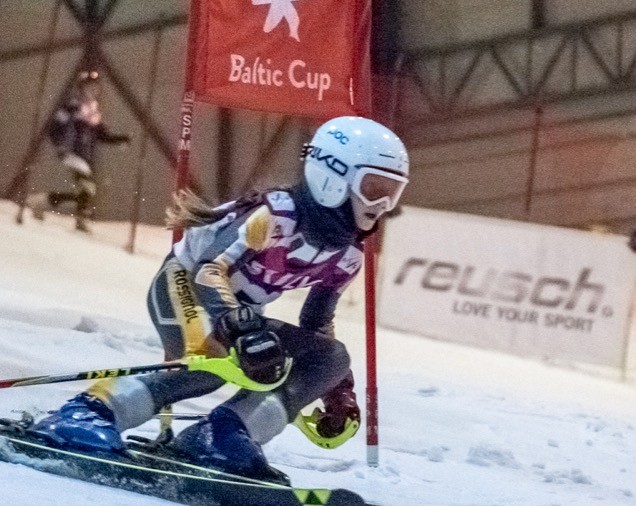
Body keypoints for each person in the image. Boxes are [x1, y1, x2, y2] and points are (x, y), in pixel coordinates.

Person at [27, 116, 409, 483]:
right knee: (210, 364)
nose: (381, 206)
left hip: (239, 314)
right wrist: (240, 329)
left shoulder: (348, 256)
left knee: (331, 357)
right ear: (332, 177)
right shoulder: (275, 215)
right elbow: (209, 270)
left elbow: (317, 325)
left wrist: (337, 388)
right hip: (187, 284)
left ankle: (223, 435)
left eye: (392, 194)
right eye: (374, 189)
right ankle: (91, 412)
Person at [26, 70, 130, 232]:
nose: (93, 91)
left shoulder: (92, 111)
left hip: (84, 155)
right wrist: (60, 145)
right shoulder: (73, 106)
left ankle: (43, 201)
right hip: (71, 152)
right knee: (88, 188)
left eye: (95, 88)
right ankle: (80, 219)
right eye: (89, 87)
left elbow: (101, 135)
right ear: (81, 88)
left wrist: (119, 140)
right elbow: (55, 127)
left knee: (86, 191)